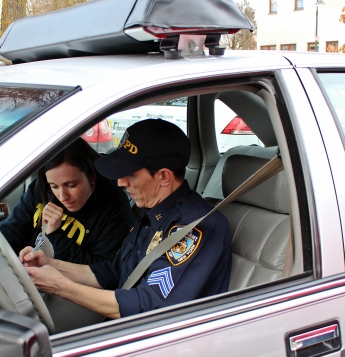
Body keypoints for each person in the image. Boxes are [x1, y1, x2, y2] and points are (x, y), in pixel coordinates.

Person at [20, 119, 232, 319]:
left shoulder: (194, 228)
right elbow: (114, 272)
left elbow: (149, 307)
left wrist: (60, 286)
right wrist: (52, 264)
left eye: (130, 174)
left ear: (164, 177)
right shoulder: (151, 213)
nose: (120, 182)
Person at [0, 138, 134, 265]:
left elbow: (101, 270)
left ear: (92, 176)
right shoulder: (40, 188)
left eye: (71, 185)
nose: (62, 197)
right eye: (54, 186)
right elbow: (11, 231)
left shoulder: (114, 207)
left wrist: (56, 235)